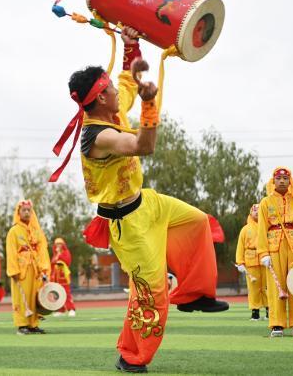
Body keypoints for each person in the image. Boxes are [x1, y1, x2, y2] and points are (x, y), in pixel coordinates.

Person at [51, 26, 228, 373]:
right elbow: (144, 146)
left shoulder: (109, 110)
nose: (118, 91)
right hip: (127, 224)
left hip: (148, 203)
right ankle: (130, 357)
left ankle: (194, 295)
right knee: (150, 291)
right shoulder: (98, 136)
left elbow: (127, 82)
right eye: (111, 90)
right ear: (102, 98)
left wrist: (131, 44)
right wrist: (149, 104)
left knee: (197, 222)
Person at [257, 167, 293, 338]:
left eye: (285, 178)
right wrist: (263, 253)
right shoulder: (265, 202)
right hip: (274, 248)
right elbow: (262, 229)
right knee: (276, 287)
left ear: (290, 181)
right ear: (273, 181)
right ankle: (276, 324)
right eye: (278, 178)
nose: (282, 181)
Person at [6, 200, 51, 335]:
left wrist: (44, 268)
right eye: (24, 210)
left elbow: (42, 250)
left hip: (35, 268)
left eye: (29, 210)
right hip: (22, 269)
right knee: (22, 296)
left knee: (35, 296)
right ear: (18, 213)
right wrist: (13, 270)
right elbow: (11, 251)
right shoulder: (13, 231)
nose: (26, 212)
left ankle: (33, 324)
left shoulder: (37, 231)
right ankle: (22, 325)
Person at [236, 204, 268, 321]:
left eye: (259, 210)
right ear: (251, 213)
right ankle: (255, 313)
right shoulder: (245, 229)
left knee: (267, 288)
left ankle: (269, 311)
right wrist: (240, 262)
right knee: (253, 289)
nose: (257, 212)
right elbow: (240, 247)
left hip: (265, 260)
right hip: (250, 261)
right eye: (254, 210)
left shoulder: (267, 227)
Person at [50, 237, 76, 317]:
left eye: (60, 244)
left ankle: (71, 309)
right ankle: (60, 310)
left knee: (66, 293)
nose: (58, 245)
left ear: (63, 245)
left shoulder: (66, 252)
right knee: (57, 294)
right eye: (56, 244)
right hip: (56, 277)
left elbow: (67, 261)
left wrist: (59, 256)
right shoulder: (55, 255)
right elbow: (52, 263)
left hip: (63, 276)